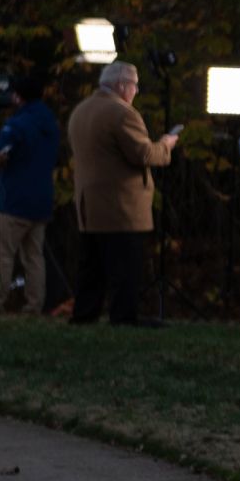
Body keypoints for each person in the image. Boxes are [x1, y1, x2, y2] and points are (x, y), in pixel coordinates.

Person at [67, 61, 178, 325]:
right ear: (121, 86)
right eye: (134, 85)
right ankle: (123, 316)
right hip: (120, 205)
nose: (136, 91)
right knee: (124, 265)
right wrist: (166, 144)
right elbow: (143, 154)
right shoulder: (122, 113)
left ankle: (85, 314)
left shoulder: (81, 111)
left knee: (91, 265)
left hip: (88, 203)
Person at [0, 75, 61, 314]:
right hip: (42, 199)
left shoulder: (17, 124)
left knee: (2, 255)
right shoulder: (49, 121)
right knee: (34, 256)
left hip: (14, 200)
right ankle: (34, 303)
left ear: (18, 96)